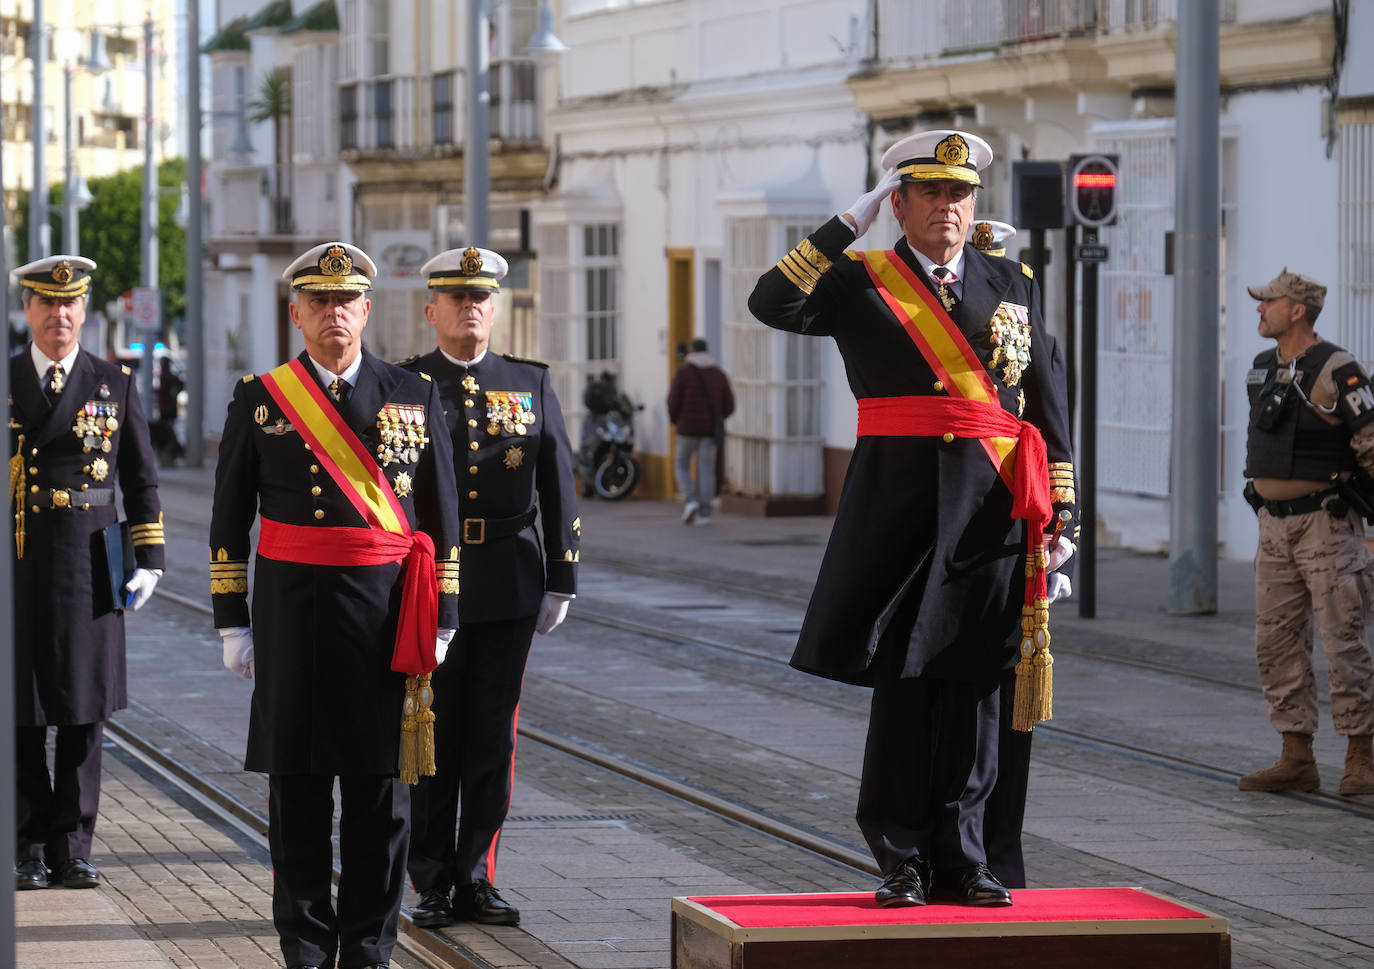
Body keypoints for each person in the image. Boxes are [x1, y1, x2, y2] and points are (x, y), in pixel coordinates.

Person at [748, 130, 1077, 908]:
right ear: (898, 203)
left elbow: (1044, 398)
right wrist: (844, 226)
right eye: (930, 192)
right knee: (903, 688)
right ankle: (902, 857)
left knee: (977, 689)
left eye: (959, 194)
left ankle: (968, 855)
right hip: (897, 510)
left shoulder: (1012, 281)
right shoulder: (860, 280)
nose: (947, 207)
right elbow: (771, 302)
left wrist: (1060, 513)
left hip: (991, 512)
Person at [209, 241, 462, 969]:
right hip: (291, 620)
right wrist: (232, 622)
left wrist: (443, 618)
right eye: (318, 302)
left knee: (381, 800)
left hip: (385, 624)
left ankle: (370, 950)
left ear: (366, 310)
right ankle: (306, 949)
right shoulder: (261, 399)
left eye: (345, 301)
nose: (333, 314)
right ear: (296, 315)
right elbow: (229, 520)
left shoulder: (412, 393)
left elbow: (441, 517)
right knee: (297, 797)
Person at [401, 246, 580, 928]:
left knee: (491, 739)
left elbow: (557, 482)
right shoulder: (406, 383)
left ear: (495, 309)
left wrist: (562, 576)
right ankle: (431, 878)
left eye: (481, 297)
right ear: (432, 311)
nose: (470, 307)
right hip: (428, 585)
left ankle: (476, 875)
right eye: (456, 297)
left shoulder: (529, 381)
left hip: (509, 577)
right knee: (429, 735)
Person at [9, 255, 164, 891]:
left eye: (70, 303)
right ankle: (24, 844)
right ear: (27, 309)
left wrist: (150, 559)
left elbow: (141, 478)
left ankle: (73, 846)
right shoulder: (7, 377)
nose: (60, 314)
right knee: (18, 707)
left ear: (84, 309)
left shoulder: (113, 382)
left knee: (82, 706)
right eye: (47, 302)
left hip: (90, 556)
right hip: (17, 556)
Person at [1239, 267, 1374, 797]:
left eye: (1268, 301)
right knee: (1275, 641)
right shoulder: (1261, 368)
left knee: (1344, 640)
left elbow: (1370, 445)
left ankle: (1362, 756)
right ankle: (1296, 755)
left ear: (1297, 310)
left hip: (1328, 526)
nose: (1259, 308)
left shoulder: (1339, 370)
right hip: (1273, 528)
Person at [667, 337, 735, 525]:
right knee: (707, 471)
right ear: (707, 350)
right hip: (709, 431)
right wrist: (717, 418)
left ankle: (690, 500)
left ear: (691, 351)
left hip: (686, 429)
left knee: (681, 465)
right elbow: (729, 405)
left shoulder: (683, 373)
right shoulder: (718, 374)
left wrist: (676, 420)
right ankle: (704, 514)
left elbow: (672, 401)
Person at [152, 355, 186, 464]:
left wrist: (157, 391)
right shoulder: (169, 375)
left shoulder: (167, 376)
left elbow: (163, 390)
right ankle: (178, 449)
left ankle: (178, 449)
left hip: (167, 408)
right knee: (168, 429)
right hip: (168, 407)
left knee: (166, 430)